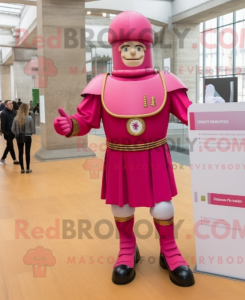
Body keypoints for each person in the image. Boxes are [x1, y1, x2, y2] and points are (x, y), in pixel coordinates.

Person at [53, 11, 195, 287]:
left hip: (154, 154)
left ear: (148, 48)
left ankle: (170, 250)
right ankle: (128, 248)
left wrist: (220, 115)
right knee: (121, 206)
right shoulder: (101, 84)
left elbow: (190, 114)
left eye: (139, 47)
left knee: (163, 208)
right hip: (119, 156)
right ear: (116, 49)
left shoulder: (167, 82)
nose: (132, 52)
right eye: (126, 47)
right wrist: (70, 125)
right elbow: (86, 119)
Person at [11, 103, 34, 173]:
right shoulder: (29, 118)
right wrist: (29, 133)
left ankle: (22, 169)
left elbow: (12, 129)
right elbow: (32, 130)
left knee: (20, 152)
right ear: (26, 109)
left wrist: (17, 134)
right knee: (27, 152)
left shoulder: (16, 118)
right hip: (27, 136)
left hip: (19, 137)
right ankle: (28, 168)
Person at [0, 100, 19, 165]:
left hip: (14, 132)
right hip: (7, 132)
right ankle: (3, 158)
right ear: (6, 105)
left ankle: (14, 159)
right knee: (10, 145)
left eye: (11, 103)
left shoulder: (14, 112)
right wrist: (1, 130)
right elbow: (3, 123)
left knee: (10, 146)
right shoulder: (4, 113)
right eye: (9, 104)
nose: (11, 105)